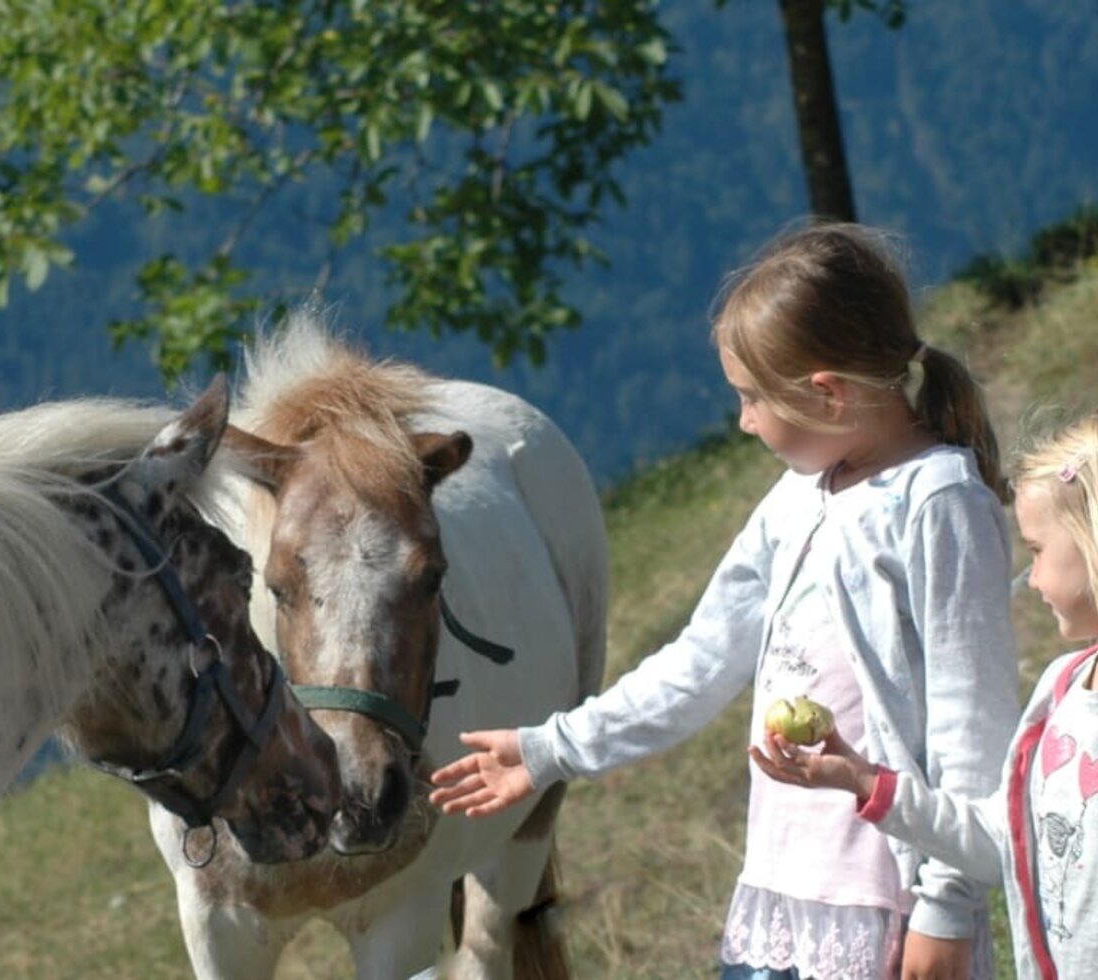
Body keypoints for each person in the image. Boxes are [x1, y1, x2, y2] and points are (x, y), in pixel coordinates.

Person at [429, 222, 1021, 980]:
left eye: (750, 399)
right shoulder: (800, 494)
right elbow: (700, 661)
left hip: (890, 913)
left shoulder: (938, 502)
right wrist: (550, 748)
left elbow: (973, 730)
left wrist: (948, 906)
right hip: (781, 899)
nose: (742, 421)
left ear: (828, 393)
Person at [752, 413, 1098, 980]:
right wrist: (862, 781)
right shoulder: (1058, 692)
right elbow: (995, 840)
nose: (1029, 579)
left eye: (1036, 551)